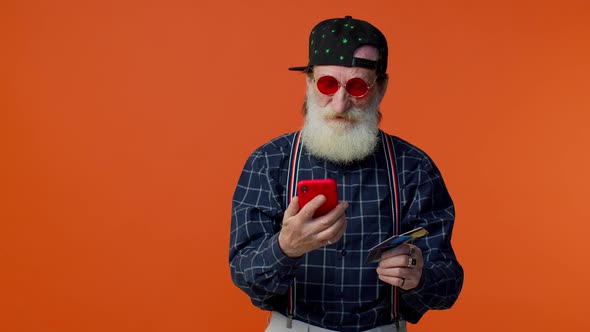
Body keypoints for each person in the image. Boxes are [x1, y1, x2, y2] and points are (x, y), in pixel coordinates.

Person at [229, 16, 463, 332]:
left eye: (357, 86)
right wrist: (285, 248)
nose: (340, 103)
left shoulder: (414, 167)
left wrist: (420, 277)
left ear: (381, 87)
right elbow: (246, 277)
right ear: (309, 83)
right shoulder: (269, 161)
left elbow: (448, 284)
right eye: (328, 84)